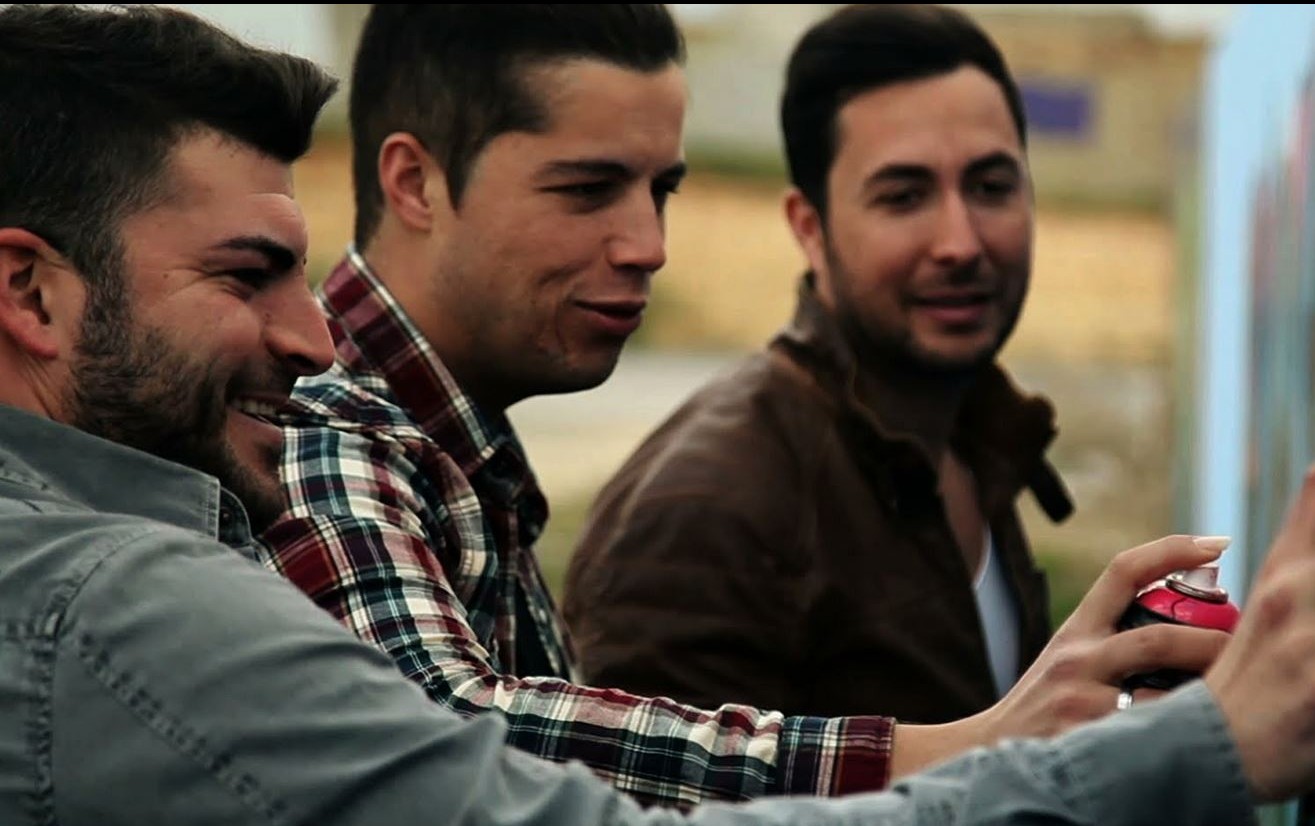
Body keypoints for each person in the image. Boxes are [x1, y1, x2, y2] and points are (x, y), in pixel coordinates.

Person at [1, 4, 1312, 824]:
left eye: (663, 189)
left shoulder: (447, 445)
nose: (648, 245)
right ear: (412, 181)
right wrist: (985, 746)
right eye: (588, 189)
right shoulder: (325, 434)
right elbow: (467, 747)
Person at [563, 3, 1070, 720]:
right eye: (904, 197)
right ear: (809, 228)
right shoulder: (704, 513)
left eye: (991, 188)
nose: (960, 242)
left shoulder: (974, 436)